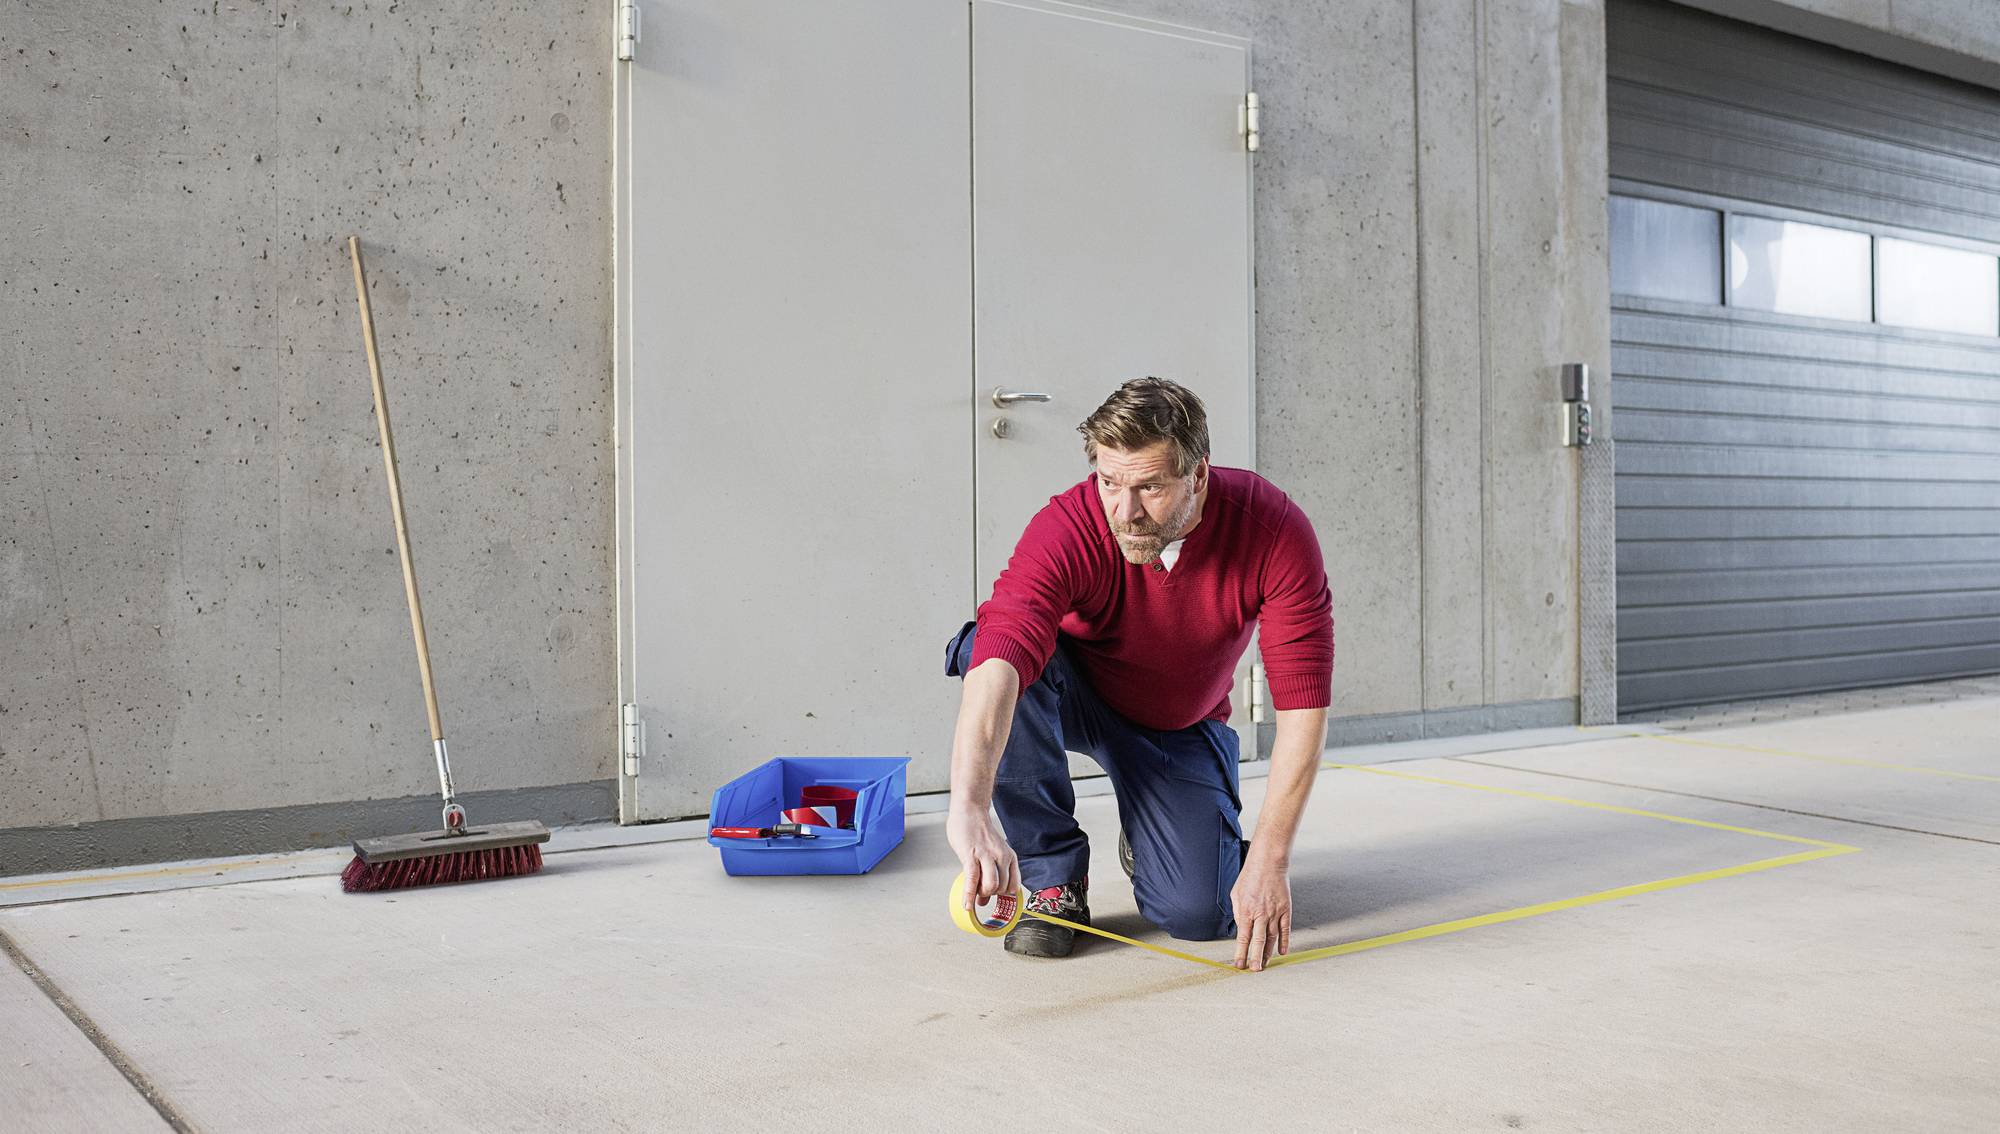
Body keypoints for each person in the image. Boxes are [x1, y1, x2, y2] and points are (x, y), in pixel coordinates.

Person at [944, 377, 1334, 972]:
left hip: (1177, 722)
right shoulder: (1069, 526)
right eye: (1109, 483)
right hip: (1073, 693)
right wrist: (967, 808)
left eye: (1150, 486)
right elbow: (998, 660)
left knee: (1199, 914)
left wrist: (1271, 859)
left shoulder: (1273, 531)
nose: (1124, 512)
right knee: (987, 652)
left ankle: (1161, 832)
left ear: (1198, 474)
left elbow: (1303, 708)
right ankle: (1056, 882)